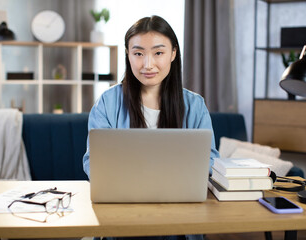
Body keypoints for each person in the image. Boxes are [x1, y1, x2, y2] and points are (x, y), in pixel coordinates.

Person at [83, 15, 220, 240]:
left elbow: (211, 160)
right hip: (122, 214)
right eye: (138, 53)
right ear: (128, 55)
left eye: (158, 53)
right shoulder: (107, 103)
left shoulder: (195, 105)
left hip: (181, 216)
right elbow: (93, 162)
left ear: (173, 53)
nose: (148, 64)